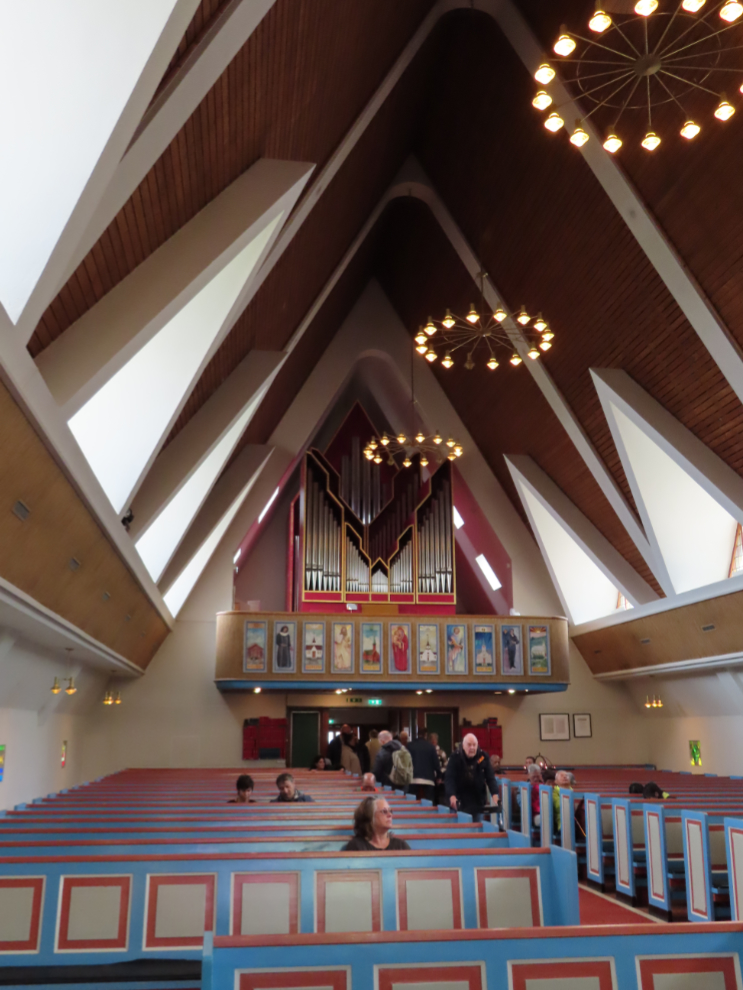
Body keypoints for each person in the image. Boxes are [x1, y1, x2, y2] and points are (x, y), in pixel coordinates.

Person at [444, 732, 498, 821]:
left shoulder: (483, 757)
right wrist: (452, 796)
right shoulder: (455, 757)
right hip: (459, 802)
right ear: (463, 745)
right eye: (469, 745)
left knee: (477, 832)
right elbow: (449, 779)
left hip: (478, 802)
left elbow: (490, 778)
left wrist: (495, 795)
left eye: (474, 745)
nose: (472, 748)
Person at [342, 796, 411, 851]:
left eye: (390, 811)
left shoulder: (401, 846)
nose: (390, 814)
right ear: (370, 816)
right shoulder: (356, 846)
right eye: (384, 811)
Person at [406, 728, 442, 802]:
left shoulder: (409, 746)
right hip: (428, 779)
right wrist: (439, 776)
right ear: (426, 735)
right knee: (429, 803)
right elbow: (436, 764)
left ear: (416, 735)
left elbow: (406, 762)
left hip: (413, 778)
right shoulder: (431, 747)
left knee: (411, 803)